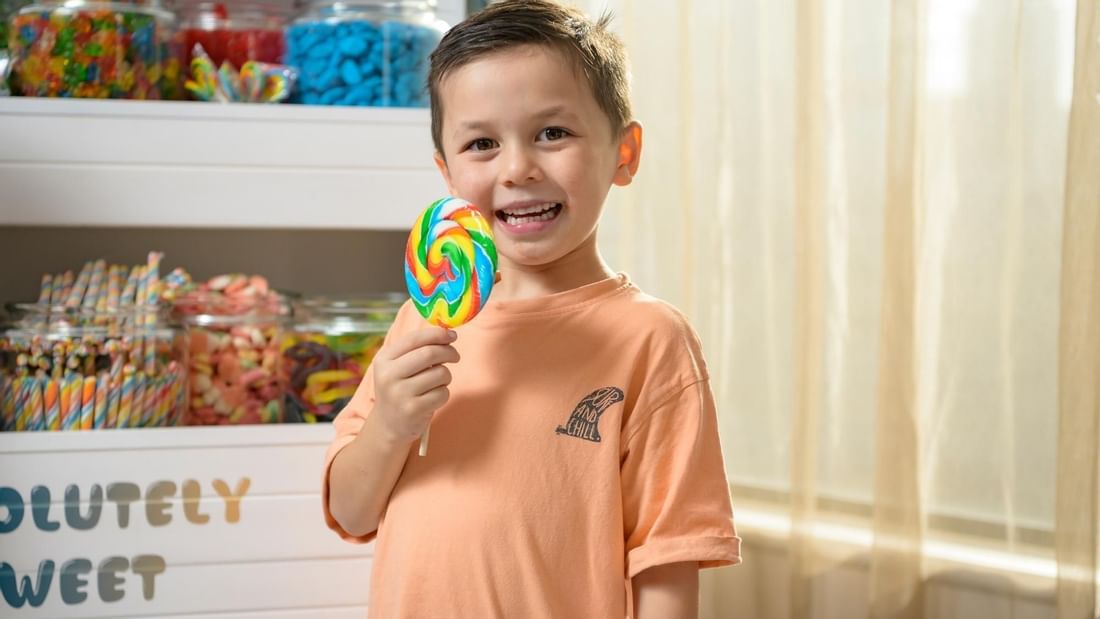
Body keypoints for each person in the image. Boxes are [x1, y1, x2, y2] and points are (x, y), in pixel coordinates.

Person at [323, 1, 740, 616]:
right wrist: (389, 426)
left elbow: (668, 558)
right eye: (482, 143)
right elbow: (349, 510)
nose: (518, 168)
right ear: (447, 172)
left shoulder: (649, 339)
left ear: (624, 153)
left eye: (553, 133)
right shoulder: (426, 318)